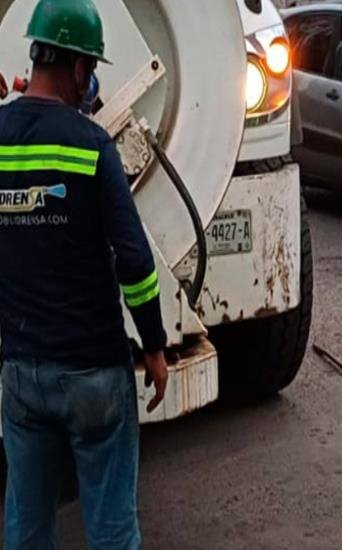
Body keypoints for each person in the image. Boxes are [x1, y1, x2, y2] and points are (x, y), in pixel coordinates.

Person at [0, 0, 168, 547]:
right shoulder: (92, 146)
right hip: (94, 373)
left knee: (27, 526)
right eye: (90, 68)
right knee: (112, 527)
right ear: (77, 68)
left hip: (23, 373)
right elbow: (136, 265)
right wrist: (155, 345)